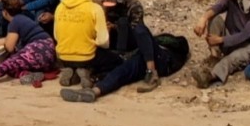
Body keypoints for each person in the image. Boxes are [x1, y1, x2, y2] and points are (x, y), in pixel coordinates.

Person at [61, 30, 190, 103]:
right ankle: (90, 81)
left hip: (160, 60)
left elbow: (146, 37)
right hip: (144, 59)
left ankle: (93, 89)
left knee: (141, 31)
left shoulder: (174, 44)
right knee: (123, 70)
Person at [190, 0, 250, 89]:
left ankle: (211, 76)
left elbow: (246, 34)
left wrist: (220, 40)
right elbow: (217, 7)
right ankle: (214, 56)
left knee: (230, 60)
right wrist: (203, 18)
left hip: (248, 44)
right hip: (230, 37)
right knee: (214, 19)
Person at [54, 0, 122, 88]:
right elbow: (103, 42)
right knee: (117, 62)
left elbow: (56, 36)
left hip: (63, 57)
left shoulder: (60, 7)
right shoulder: (95, 8)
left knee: (78, 56)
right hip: (87, 57)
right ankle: (91, 74)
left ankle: (73, 71)